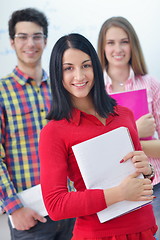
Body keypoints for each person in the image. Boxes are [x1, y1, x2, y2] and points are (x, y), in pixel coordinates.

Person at [39, 33, 157, 240]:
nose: (79, 76)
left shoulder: (124, 115)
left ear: (95, 66)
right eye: (69, 68)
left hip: (144, 228)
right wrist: (119, 194)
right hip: (98, 235)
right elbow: (55, 205)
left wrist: (146, 170)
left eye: (86, 65)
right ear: (58, 74)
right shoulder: (53, 133)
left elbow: (141, 179)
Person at [0, 8, 74, 240]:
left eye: (37, 36)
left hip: (71, 208)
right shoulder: (2, 91)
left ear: (45, 40)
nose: (30, 43)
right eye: (22, 36)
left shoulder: (62, 87)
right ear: (12, 41)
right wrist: (14, 208)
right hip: (30, 216)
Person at [97, 16, 160, 238]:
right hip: (114, 192)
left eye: (124, 41)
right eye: (110, 42)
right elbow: (99, 151)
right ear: (102, 48)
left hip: (154, 187)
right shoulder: (94, 92)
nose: (118, 49)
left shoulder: (150, 84)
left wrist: (134, 140)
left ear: (133, 44)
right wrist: (135, 130)